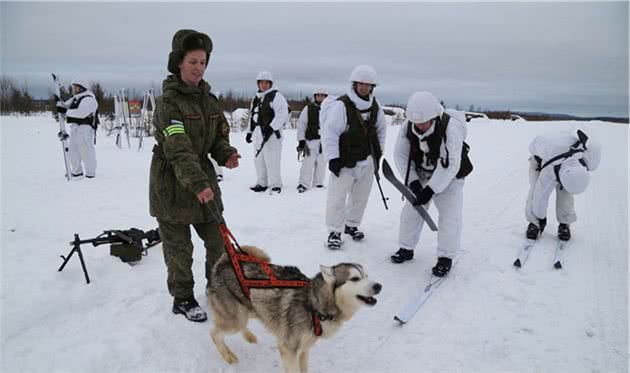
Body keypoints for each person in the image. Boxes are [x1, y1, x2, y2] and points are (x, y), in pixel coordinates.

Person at [149, 29, 241, 322]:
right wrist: (198, 183)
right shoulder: (169, 103)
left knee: (217, 241)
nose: (199, 67)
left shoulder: (209, 100)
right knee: (179, 247)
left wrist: (226, 153)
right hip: (172, 185)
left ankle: (217, 290)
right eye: (192, 61)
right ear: (178, 62)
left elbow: (216, 139)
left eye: (203, 62)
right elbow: (177, 149)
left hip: (204, 181)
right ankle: (183, 298)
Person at [390, 92, 473, 278]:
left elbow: (451, 164)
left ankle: (445, 257)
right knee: (411, 212)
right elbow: (401, 156)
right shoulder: (407, 126)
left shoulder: (451, 128)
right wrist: (413, 182)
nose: (418, 126)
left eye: (423, 122)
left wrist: (430, 189)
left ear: (433, 117)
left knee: (450, 217)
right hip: (421, 172)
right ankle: (406, 247)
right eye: (415, 122)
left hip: (451, 177)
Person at [321, 65, 386, 249]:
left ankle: (351, 225)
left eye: (368, 85)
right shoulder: (342, 105)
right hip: (345, 160)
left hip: (367, 159)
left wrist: (378, 155)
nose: (364, 88)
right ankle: (334, 231)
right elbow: (330, 133)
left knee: (361, 196)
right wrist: (332, 158)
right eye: (361, 84)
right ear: (355, 84)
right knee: (337, 197)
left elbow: (381, 131)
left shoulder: (375, 106)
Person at [524, 129, 601, 241]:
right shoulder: (549, 170)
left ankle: (565, 223)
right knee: (536, 190)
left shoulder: (588, 161)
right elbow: (540, 197)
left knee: (565, 194)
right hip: (540, 155)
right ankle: (534, 222)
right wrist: (540, 218)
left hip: (563, 148)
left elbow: (596, 145)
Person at [246, 71, 289, 194]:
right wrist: (250, 132)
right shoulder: (256, 98)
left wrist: (272, 127)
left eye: (266, 82)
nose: (264, 85)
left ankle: (276, 184)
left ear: (270, 84)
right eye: (261, 82)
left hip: (272, 135)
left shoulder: (276, 97)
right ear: (258, 84)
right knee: (259, 159)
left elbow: (282, 114)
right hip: (258, 133)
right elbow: (252, 116)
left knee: (272, 160)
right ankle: (262, 182)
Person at [55, 78, 99, 178]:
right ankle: (76, 171)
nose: (74, 90)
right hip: (75, 128)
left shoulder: (89, 99)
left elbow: (81, 113)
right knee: (72, 150)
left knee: (85, 150)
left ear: (82, 88)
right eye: (73, 88)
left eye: (76, 88)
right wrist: (60, 103)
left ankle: (90, 173)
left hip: (85, 128)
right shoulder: (77, 98)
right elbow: (66, 106)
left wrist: (65, 111)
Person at [296, 88, 328, 193]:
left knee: (322, 164)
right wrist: (301, 140)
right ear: (315, 96)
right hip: (311, 141)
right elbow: (302, 124)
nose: (320, 97)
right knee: (307, 163)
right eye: (318, 95)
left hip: (324, 142)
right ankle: (303, 183)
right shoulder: (308, 108)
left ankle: (318, 183)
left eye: (322, 95)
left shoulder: (330, 109)